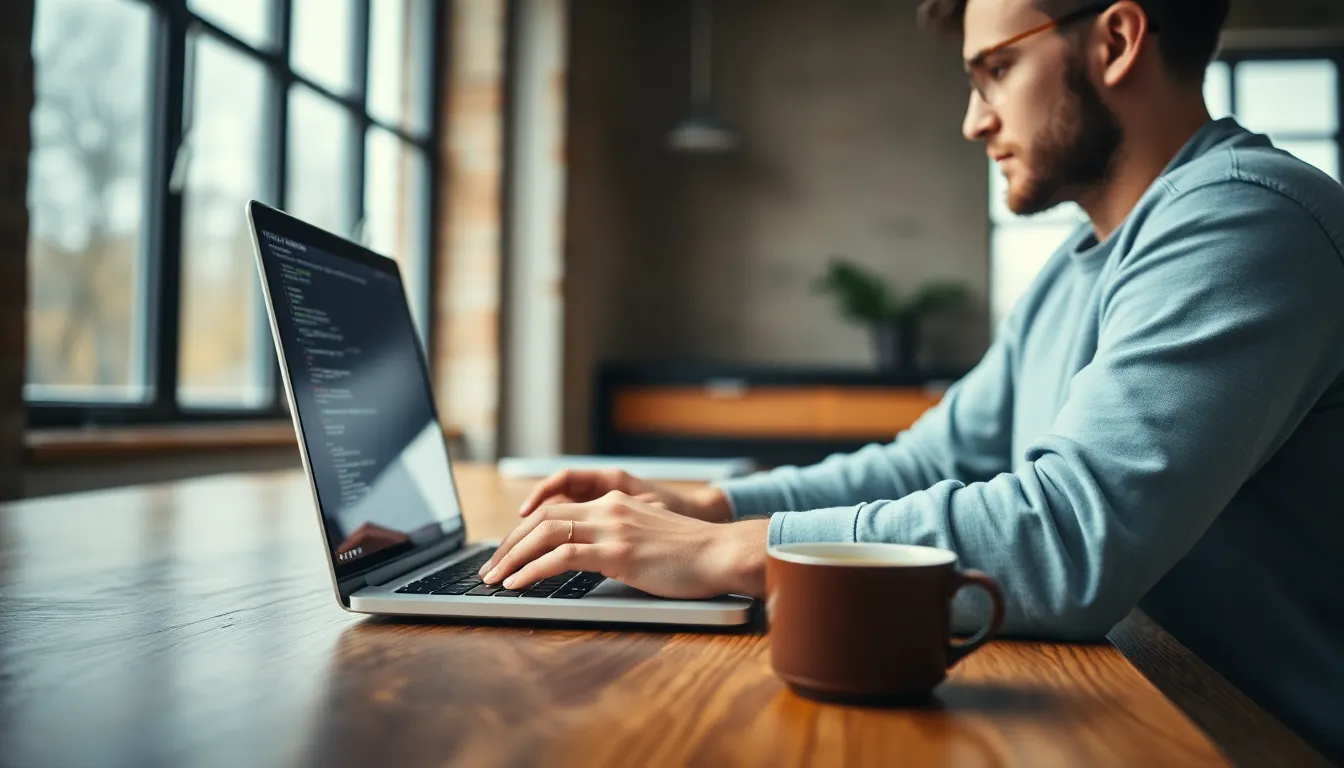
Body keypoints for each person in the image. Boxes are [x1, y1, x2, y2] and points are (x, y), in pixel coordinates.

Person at [478, 0, 1344, 758]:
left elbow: (1071, 541)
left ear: (1116, 40)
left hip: (1252, 738)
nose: (973, 120)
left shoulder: (1248, 221)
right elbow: (930, 461)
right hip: (1139, 704)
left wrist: (727, 552)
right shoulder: (1075, 269)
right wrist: (706, 506)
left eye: (996, 69)